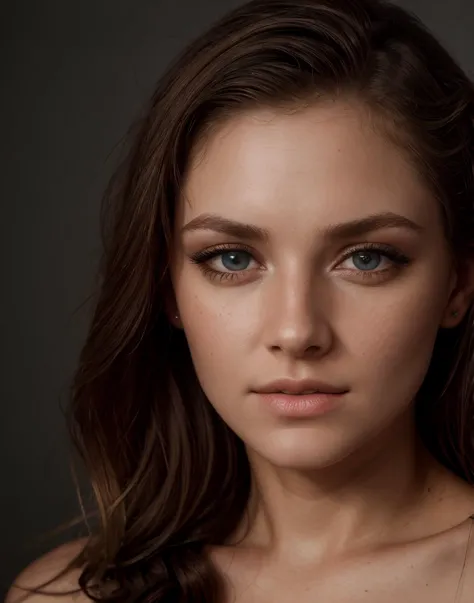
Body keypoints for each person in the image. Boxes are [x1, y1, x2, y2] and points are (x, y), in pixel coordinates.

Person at [6, 0, 474, 601]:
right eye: (231, 259)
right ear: (166, 287)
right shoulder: (68, 595)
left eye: (366, 258)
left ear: (457, 286)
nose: (297, 330)